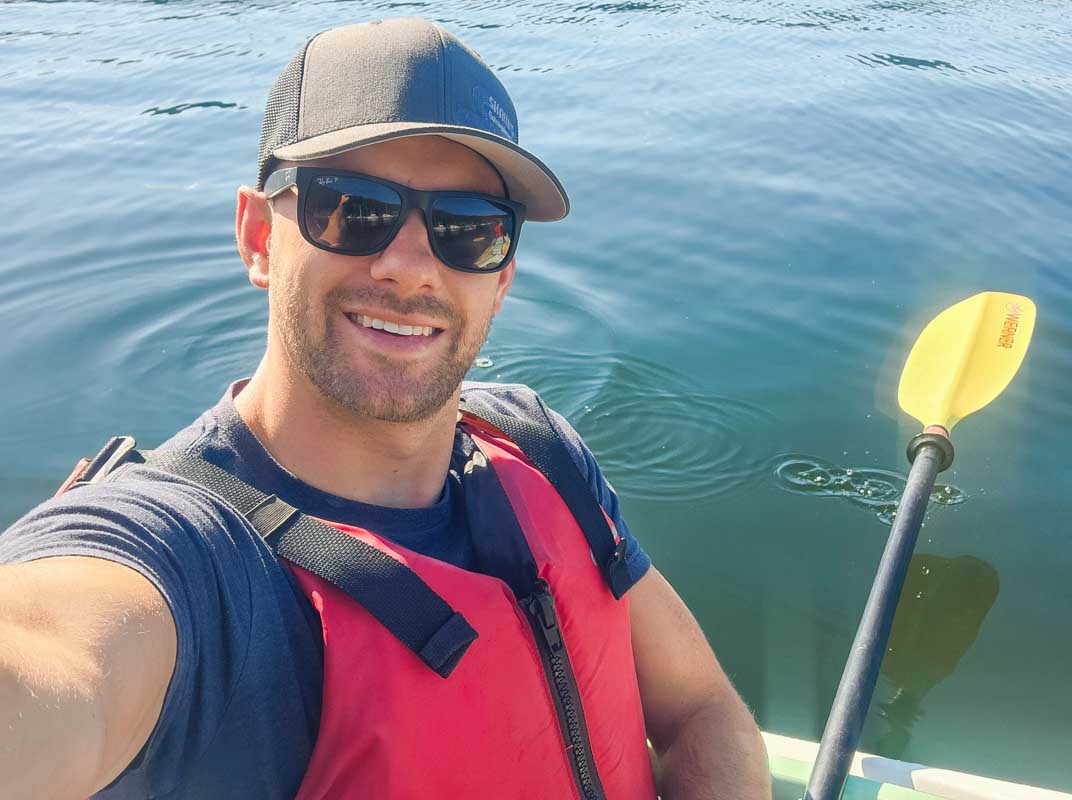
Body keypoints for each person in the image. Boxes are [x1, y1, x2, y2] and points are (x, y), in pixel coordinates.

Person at [0, 18, 770, 800]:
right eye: (353, 208)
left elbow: (701, 708)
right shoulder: (185, 564)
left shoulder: (536, 444)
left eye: (467, 229)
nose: (409, 267)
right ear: (260, 237)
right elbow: (48, 664)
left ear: (500, 280)